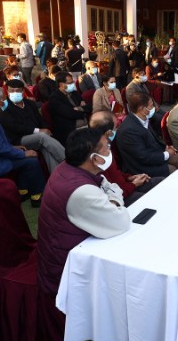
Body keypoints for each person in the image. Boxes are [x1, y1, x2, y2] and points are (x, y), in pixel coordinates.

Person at [36, 127, 131, 296]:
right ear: (95, 159)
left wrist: (111, 195)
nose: (110, 151)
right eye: (107, 148)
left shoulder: (67, 167)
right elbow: (120, 221)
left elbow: (106, 183)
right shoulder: (81, 191)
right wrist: (115, 199)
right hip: (67, 271)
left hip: (63, 252)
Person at [89, 111, 163, 206]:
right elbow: (112, 194)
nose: (118, 129)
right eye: (116, 127)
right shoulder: (99, 155)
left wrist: (130, 177)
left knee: (160, 181)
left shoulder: (108, 146)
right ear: (109, 133)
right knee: (151, 201)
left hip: (127, 185)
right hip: (122, 196)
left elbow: (115, 172)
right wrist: (133, 184)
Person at [117, 92, 178, 177]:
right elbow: (143, 157)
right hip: (142, 167)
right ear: (142, 109)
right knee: (173, 169)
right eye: (151, 106)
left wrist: (166, 148)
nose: (153, 108)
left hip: (155, 155)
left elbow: (153, 141)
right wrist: (167, 154)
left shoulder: (143, 119)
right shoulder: (129, 130)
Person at [0, 79, 64, 173]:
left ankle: (56, 175)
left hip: (38, 136)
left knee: (46, 147)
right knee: (42, 137)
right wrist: (38, 131)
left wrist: (46, 129)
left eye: (17, 91)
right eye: (11, 91)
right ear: (7, 92)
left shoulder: (30, 103)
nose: (14, 93)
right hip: (19, 139)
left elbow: (40, 120)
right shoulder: (5, 107)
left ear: (23, 91)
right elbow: (15, 127)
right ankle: (67, 160)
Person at [48, 71, 91, 146]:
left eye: (72, 82)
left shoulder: (74, 93)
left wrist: (79, 108)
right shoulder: (55, 98)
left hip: (85, 126)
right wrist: (83, 110)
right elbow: (69, 113)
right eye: (70, 83)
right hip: (70, 130)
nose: (73, 84)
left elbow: (89, 107)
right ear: (61, 84)